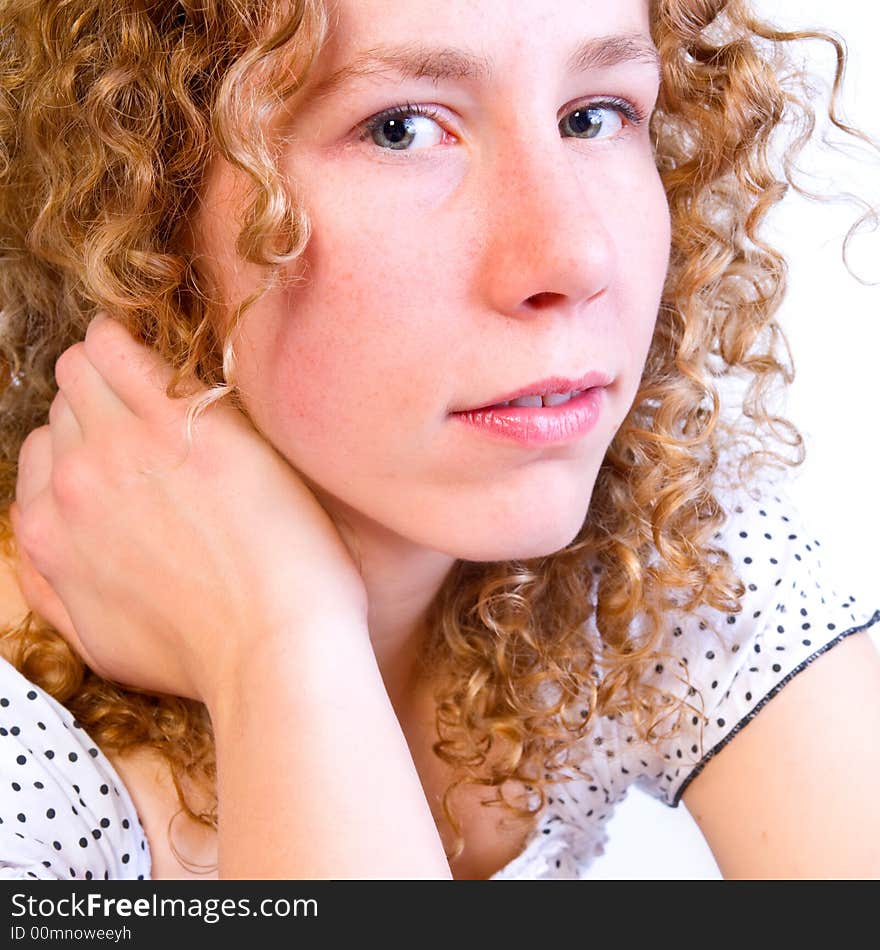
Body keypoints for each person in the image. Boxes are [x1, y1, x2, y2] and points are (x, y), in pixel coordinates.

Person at [0, 0, 878, 881]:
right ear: (142, 205)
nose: (574, 256)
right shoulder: (25, 764)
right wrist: (283, 647)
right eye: (401, 129)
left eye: (592, 116)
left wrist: (279, 631)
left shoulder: (649, 539)